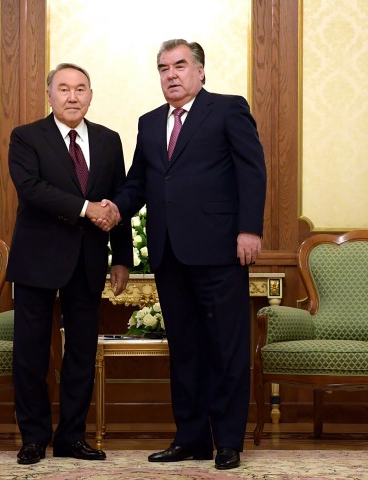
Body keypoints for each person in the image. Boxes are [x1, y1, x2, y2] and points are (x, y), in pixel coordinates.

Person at [103, 39, 267, 470]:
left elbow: (252, 170)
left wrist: (250, 229)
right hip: (169, 253)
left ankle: (228, 441)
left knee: (226, 348)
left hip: (220, 250)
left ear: (200, 71)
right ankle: (191, 438)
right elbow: (139, 182)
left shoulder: (228, 109)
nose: (171, 74)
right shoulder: (149, 122)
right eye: (163, 68)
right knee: (186, 349)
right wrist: (115, 207)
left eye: (179, 65)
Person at [7, 63, 131, 465]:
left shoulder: (109, 140)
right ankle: (33, 438)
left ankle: (72, 438)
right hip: (37, 259)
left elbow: (117, 201)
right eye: (63, 89)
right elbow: (31, 189)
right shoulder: (26, 137)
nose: (72, 96)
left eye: (80, 89)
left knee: (81, 352)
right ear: (49, 95)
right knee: (32, 353)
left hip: (88, 260)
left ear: (90, 95)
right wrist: (85, 207)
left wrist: (122, 257)